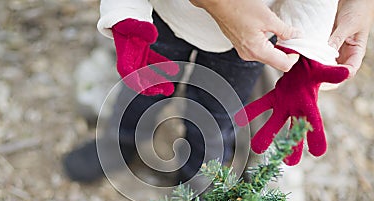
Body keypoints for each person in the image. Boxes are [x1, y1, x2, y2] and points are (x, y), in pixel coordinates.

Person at [63, 0, 374, 183]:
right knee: (142, 89)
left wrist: (307, 54)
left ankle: (195, 179)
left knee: (217, 116)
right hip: (168, 14)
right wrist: (126, 14)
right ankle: (121, 141)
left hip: (257, 35)